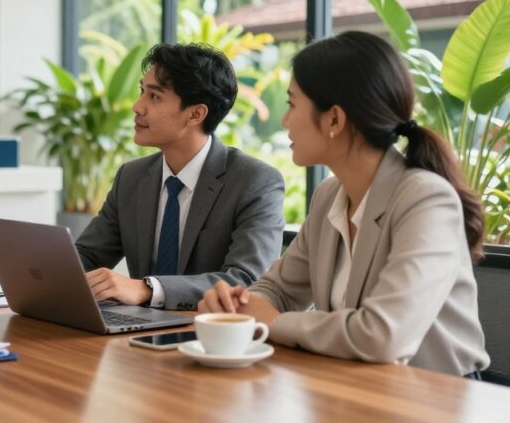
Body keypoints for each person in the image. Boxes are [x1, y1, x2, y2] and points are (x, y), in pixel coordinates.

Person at [198, 31, 490, 377]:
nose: (284, 121)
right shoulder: (329, 197)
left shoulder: (426, 200)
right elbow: (280, 288)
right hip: (354, 388)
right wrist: (240, 304)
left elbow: (384, 336)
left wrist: (273, 323)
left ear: (334, 119)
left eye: (292, 104)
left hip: (435, 400)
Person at [75, 43, 285, 311]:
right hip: (138, 331)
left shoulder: (255, 182)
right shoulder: (132, 176)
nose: (137, 107)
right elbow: (88, 255)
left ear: (196, 114)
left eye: (154, 97)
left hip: (210, 337)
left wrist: (147, 288)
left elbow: (244, 281)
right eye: (142, 91)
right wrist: (38, 271)